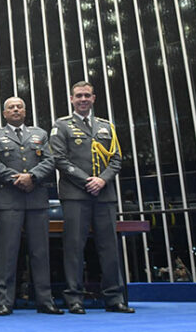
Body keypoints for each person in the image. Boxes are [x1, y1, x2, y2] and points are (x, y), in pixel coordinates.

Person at [50, 81, 134, 314]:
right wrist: (87, 180)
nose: (83, 99)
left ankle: (114, 298)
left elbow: (116, 159)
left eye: (87, 95)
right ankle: (74, 298)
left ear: (94, 98)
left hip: (104, 195)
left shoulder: (106, 126)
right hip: (76, 195)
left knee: (109, 248)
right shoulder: (62, 126)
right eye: (79, 96)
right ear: (71, 99)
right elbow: (59, 159)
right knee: (74, 247)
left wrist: (102, 180)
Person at [0, 97, 62, 316]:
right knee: (8, 252)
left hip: (36, 198)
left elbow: (50, 160)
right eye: (11, 107)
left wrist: (32, 177)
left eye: (19, 107)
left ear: (25, 111)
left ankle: (45, 300)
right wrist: (16, 178)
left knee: (40, 252)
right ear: (4, 113)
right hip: (9, 199)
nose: (16, 109)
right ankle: (5, 301)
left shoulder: (40, 134)